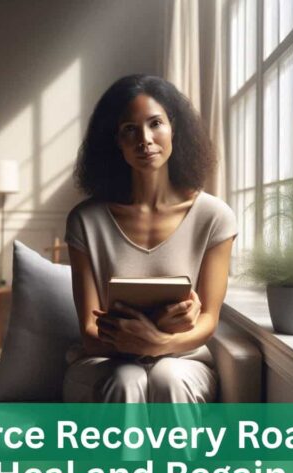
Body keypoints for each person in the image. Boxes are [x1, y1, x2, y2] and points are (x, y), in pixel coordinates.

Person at [63, 74, 237, 403]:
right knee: (126, 379)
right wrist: (157, 327)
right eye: (130, 129)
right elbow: (89, 332)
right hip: (104, 362)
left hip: (183, 360)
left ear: (174, 128)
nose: (145, 139)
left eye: (155, 123)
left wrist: (159, 343)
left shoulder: (214, 216)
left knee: (170, 377)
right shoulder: (85, 220)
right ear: (116, 140)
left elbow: (209, 320)